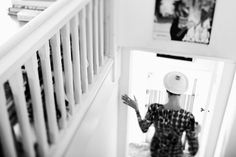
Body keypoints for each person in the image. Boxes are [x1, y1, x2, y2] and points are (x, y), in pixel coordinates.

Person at [122, 71, 200, 157]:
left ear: (167, 90)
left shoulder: (154, 108)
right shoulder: (188, 117)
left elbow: (143, 128)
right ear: (181, 93)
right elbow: (193, 150)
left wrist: (136, 109)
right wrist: (196, 134)